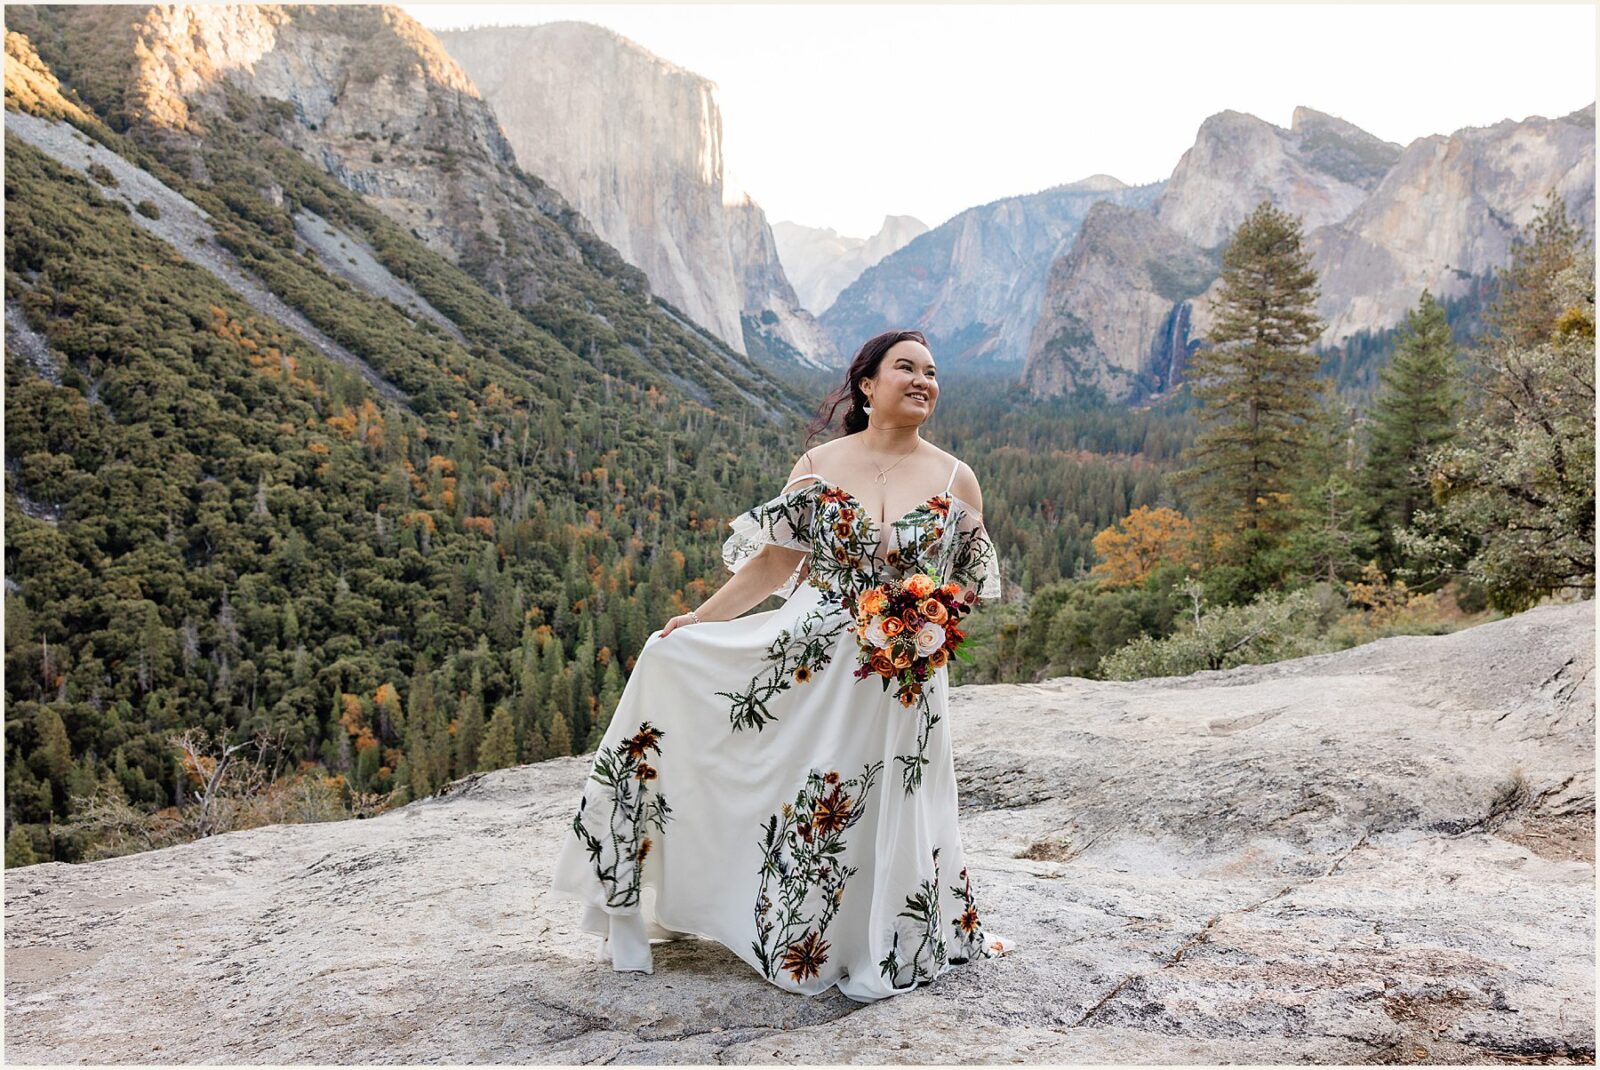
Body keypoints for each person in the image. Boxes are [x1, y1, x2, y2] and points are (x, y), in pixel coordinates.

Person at [546, 329, 1012, 1002]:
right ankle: (794, 933)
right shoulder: (819, 463)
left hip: (905, 675)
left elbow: (969, 576)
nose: (923, 381)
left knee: (890, 800)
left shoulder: (953, 476)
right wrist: (701, 621)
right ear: (867, 385)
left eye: (932, 372)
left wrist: (933, 623)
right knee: (804, 794)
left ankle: (887, 938)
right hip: (812, 655)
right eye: (905, 367)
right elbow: (773, 563)